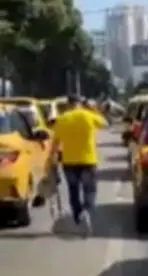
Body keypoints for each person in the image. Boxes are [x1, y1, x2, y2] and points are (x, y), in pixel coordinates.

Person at [50, 94, 107, 237]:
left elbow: (55, 144)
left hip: (69, 162)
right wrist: (93, 109)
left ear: (68, 104)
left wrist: (52, 161)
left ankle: (79, 214)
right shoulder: (88, 115)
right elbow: (105, 123)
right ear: (80, 103)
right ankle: (87, 211)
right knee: (90, 191)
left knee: (73, 191)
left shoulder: (62, 119)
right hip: (88, 160)